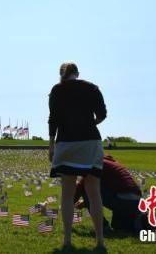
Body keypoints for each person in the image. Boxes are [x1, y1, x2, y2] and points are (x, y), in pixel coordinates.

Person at [48, 62, 106, 250]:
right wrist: (88, 124)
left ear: (62, 75)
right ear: (77, 73)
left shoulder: (57, 90)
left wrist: (51, 145)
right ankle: (100, 240)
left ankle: (67, 240)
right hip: (90, 141)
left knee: (67, 194)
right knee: (94, 193)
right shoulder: (92, 88)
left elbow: (53, 120)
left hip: (66, 143)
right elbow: (102, 114)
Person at [73, 155, 156, 233]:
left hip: (123, 199)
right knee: (119, 226)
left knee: (87, 188)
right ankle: (151, 220)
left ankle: (103, 226)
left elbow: (82, 187)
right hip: (134, 200)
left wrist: (70, 203)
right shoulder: (110, 163)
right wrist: (87, 201)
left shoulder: (96, 164)